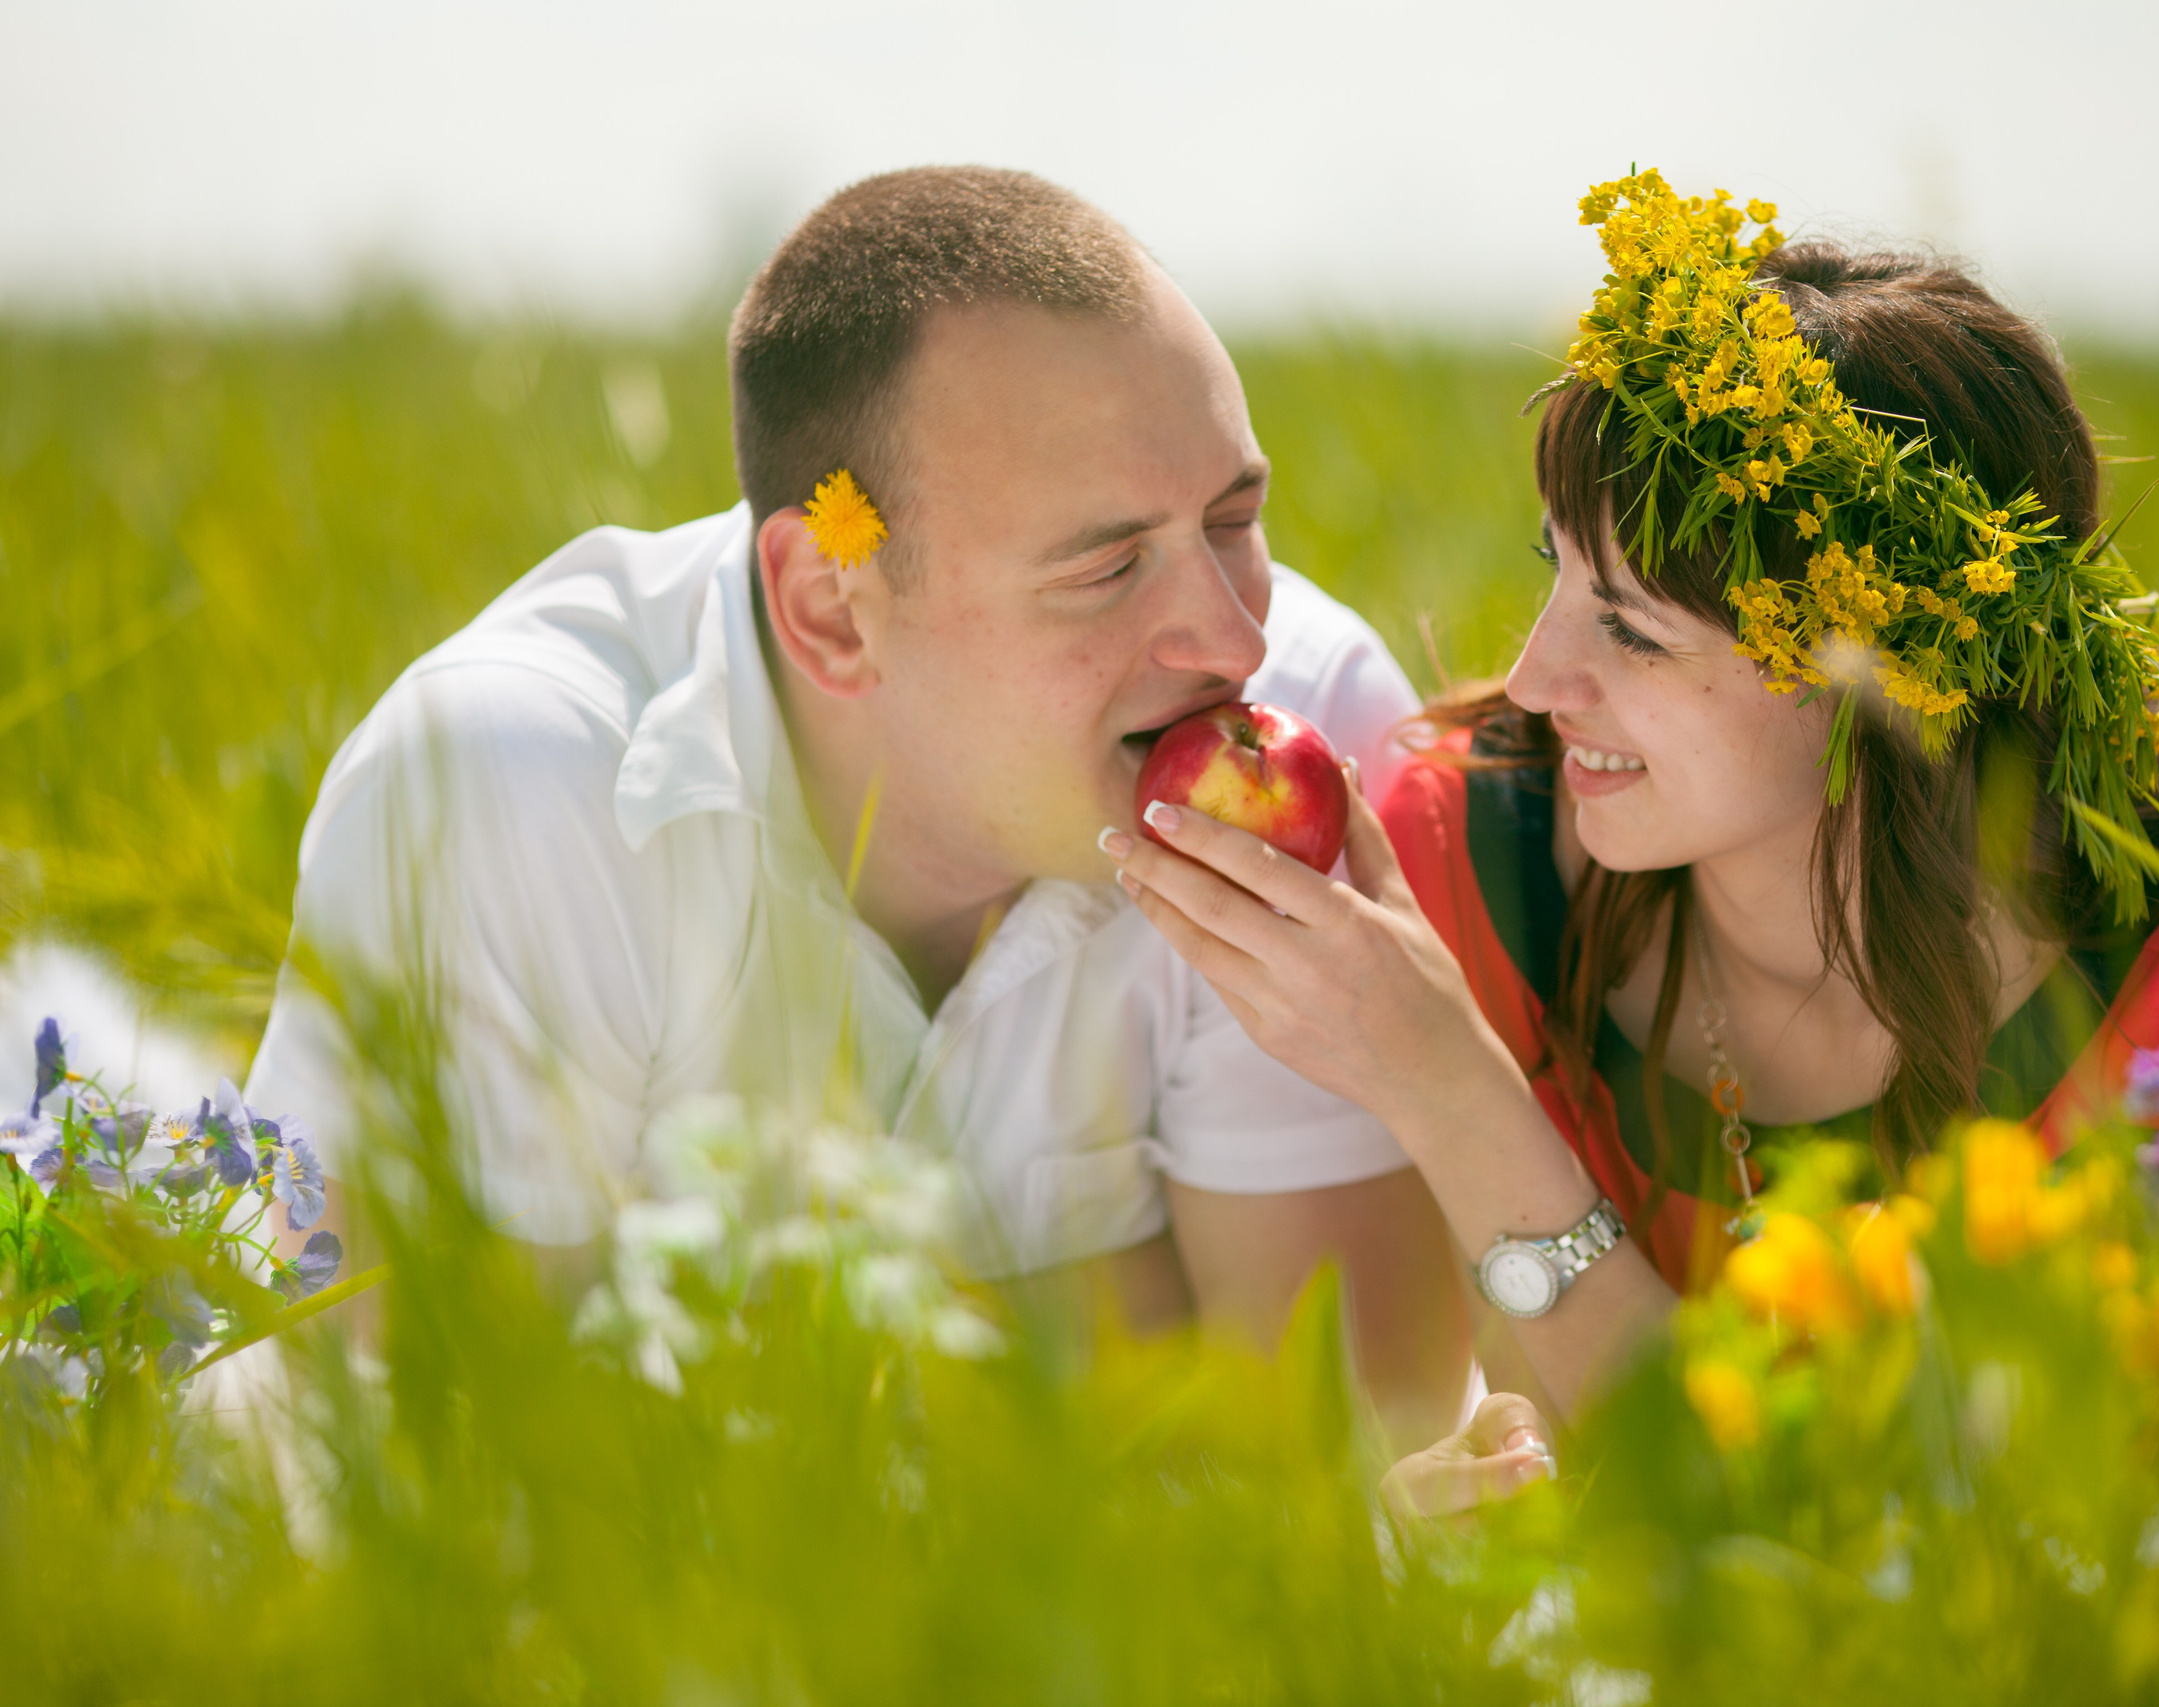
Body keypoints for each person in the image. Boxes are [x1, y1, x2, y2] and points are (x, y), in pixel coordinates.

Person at [1104, 173, 2159, 1499]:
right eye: (1559, 576)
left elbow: (1863, 1538)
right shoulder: (1452, 859)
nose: (1537, 680)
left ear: (1885, 682)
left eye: (1634, 629)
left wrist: (1453, 1092)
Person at [245, 167, 1470, 1444]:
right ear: (833, 607)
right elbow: (445, 1456)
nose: (1229, 638)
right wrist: (1108, 1314)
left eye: (1234, 518)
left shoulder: (1312, 720)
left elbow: (1334, 1465)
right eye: (1106, 567)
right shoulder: (509, 785)